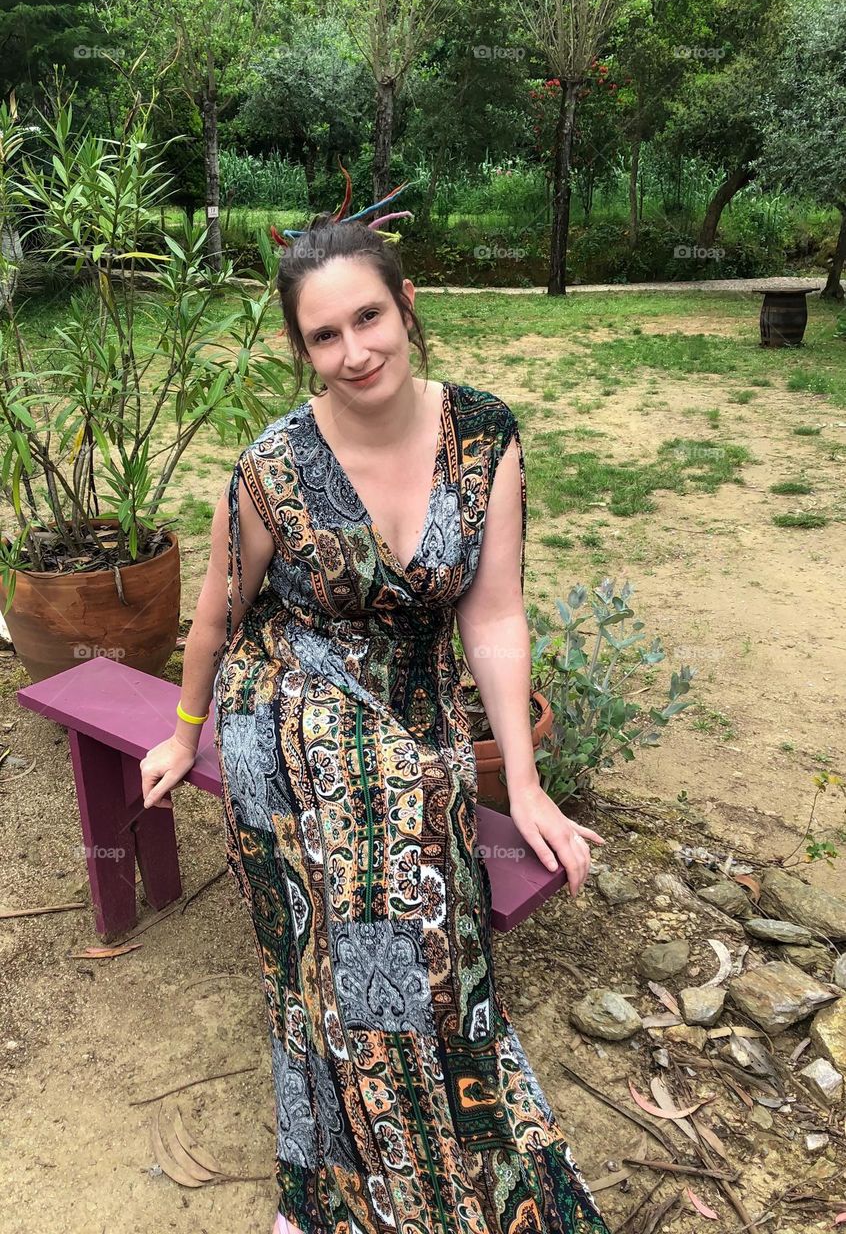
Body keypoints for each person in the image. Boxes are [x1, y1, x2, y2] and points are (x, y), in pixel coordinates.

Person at [140, 192, 611, 1234]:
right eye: (324, 333)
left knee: (412, 903)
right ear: (301, 349)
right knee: (345, 908)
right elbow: (217, 608)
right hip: (291, 693)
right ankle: (332, 1182)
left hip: (412, 700)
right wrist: (182, 731)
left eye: (368, 318)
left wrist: (523, 781)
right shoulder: (272, 467)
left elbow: (492, 614)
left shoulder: (483, 436)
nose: (355, 350)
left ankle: (446, 1141)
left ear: (407, 305)